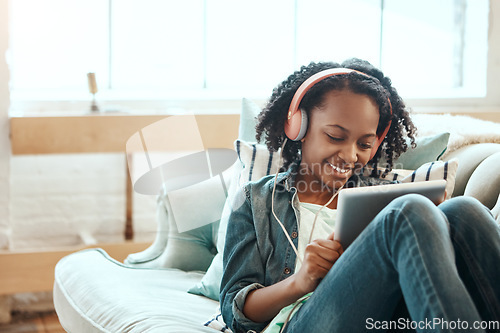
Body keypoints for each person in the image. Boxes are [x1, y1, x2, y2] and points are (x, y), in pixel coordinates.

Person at [220, 58, 500, 333]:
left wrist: (435, 227)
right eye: (335, 136)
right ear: (299, 127)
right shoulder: (255, 200)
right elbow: (235, 312)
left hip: (385, 319)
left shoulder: (382, 195)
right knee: (408, 210)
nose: (350, 156)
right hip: (299, 323)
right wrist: (301, 281)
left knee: (464, 210)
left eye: (364, 144)